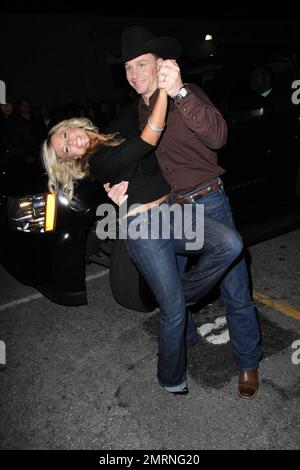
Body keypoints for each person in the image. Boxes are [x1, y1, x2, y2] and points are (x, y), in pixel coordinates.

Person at [42, 87, 243, 396]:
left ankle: (180, 297)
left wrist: (153, 82)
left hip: (171, 212)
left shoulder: (113, 132)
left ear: (72, 125)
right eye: (65, 149)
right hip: (142, 226)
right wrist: (165, 89)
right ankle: (170, 376)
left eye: (66, 136)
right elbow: (150, 136)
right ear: (70, 160)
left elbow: (137, 103)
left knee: (229, 244)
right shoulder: (97, 162)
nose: (71, 143)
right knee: (173, 309)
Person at [105, 25, 262, 399]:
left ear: (162, 64)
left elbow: (219, 136)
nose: (134, 74)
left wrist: (180, 91)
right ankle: (187, 331)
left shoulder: (186, 95)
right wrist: (111, 183)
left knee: (235, 288)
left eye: (141, 64)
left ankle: (248, 362)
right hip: (172, 209)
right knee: (168, 290)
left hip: (209, 200)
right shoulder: (138, 112)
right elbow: (118, 154)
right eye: (128, 68)